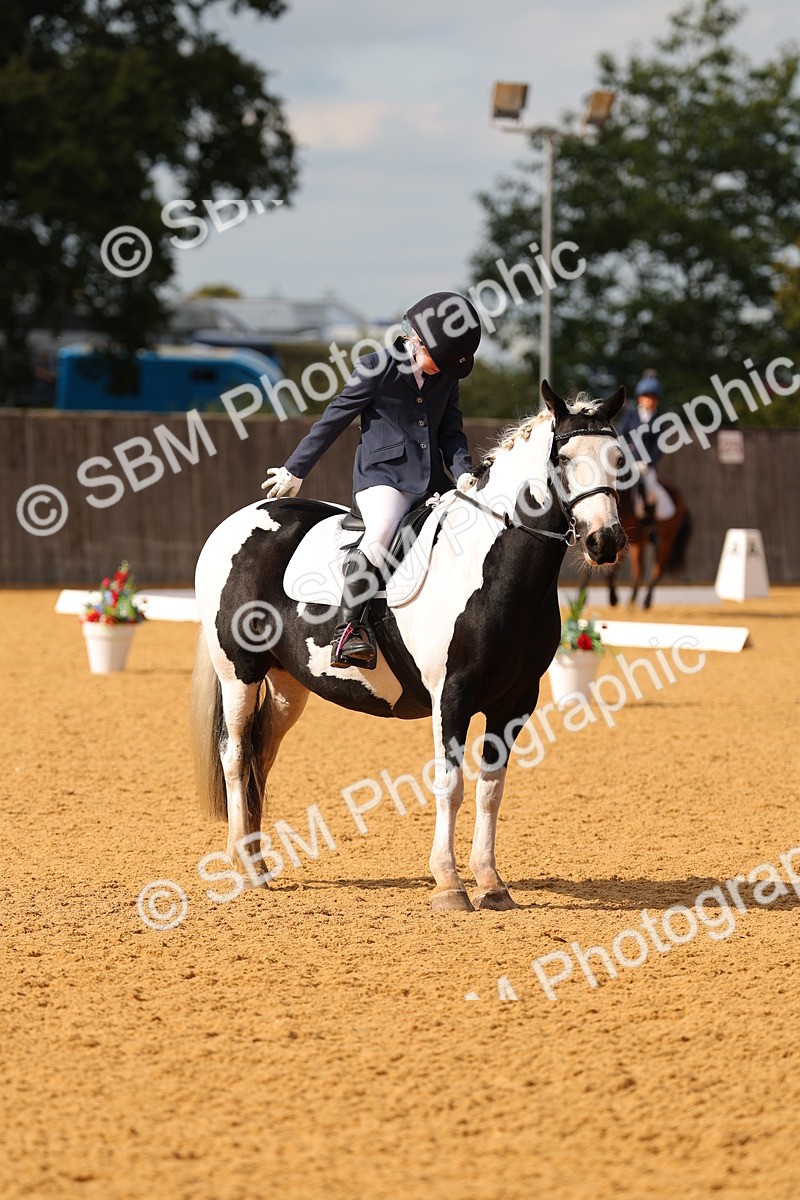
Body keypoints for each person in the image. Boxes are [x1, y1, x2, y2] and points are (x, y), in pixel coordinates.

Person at [262, 291, 481, 669]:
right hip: (384, 480)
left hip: (433, 480)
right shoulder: (375, 367)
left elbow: (451, 434)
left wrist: (463, 473)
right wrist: (295, 469)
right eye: (437, 360)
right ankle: (349, 631)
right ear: (416, 340)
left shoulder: (445, 376)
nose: (442, 371)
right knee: (380, 533)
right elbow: (333, 419)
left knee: (476, 527)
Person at [616, 370, 675, 529]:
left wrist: (647, 463)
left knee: (649, 491)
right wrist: (625, 454)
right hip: (627, 462)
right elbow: (621, 435)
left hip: (646, 466)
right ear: (640, 398)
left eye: (652, 397)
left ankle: (649, 524)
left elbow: (659, 447)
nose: (649, 400)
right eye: (646, 396)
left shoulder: (660, 422)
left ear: (657, 400)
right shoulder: (630, 415)